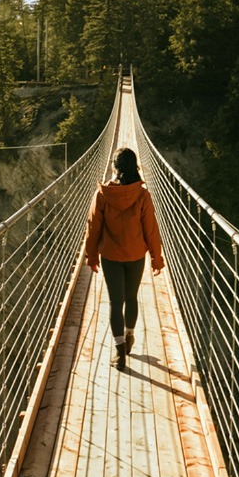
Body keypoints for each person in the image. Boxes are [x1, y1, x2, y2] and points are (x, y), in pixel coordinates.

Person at [79, 147, 164, 372]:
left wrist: (91, 256)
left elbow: (92, 227)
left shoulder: (103, 194)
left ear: (114, 167)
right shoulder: (142, 195)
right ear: (134, 166)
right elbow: (151, 230)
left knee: (115, 303)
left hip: (111, 256)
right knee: (132, 298)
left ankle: (119, 352)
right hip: (136, 255)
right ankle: (129, 337)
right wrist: (157, 259)